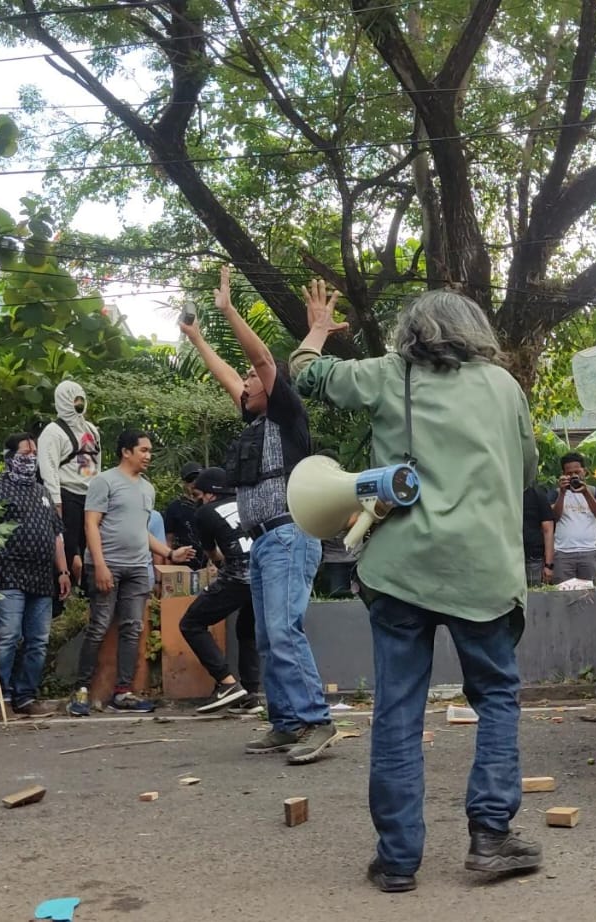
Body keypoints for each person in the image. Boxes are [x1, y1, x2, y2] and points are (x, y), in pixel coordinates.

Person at [294, 283, 543, 892]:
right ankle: (490, 838)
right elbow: (530, 468)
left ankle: (399, 859)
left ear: (411, 333)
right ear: (475, 331)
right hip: (483, 574)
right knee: (496, 698)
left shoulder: (386, 374)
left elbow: (304, 376)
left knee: (399, 711)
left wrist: (320, 327)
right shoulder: (505, 387)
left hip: (400, 572)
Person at [182, 266, 335, 765]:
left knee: (284, 630)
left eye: (253, 379)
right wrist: (198, 336)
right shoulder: (253, 420)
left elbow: (262, 357)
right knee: (268, 636)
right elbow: (229, 373)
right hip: (264, 542)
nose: (245, 381)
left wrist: (227, 311)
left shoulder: (288, 415)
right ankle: (286, 722)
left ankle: (317, 721)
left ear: (271, 386)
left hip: (290, 535)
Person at [70, 431, 196, 715]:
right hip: (107, 565)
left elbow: (141, 529)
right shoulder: (104, 481)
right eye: (143, 450)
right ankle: (81, 690)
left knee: (133, 628)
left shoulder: (147, 489)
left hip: (138, 567)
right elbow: (91, 525)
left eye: (150, 450)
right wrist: (100, 565)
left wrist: (169, 553)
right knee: (99, 625)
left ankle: (123, 692)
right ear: (126, 452)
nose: (148, 455)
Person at [0, 435, 70, 718]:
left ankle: (26, 696)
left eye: (34, 453)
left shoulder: (42, 492)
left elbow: (56, 536)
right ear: (10, 456)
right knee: (9, 636)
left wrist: (62, 570)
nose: (31, 458)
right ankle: (0, 697)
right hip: (8, 575)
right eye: (26, 453)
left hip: (42, 578)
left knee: (38, 639)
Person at [180, 466, 262, 714]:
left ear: (210, 494)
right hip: (264, 575)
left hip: (238, 576)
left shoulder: (205, 512)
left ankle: (227, 683)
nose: (199, 501)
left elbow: (212, 552)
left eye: (199, 495)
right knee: (247, 631)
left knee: (191, 624)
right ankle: (250, 694)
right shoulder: (251, 503)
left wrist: (220, 566)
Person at [37, 379, 101, 588]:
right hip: (66, 495)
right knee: (67, 548)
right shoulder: (53, 432)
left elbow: (96, 463)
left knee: (89, 549)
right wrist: (56, 502)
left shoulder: (90, 430)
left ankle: (86, 594)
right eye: (75, 400)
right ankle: (63, 596)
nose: (79, 404)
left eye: (81, 399)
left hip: (91, 497)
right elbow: (49, 468)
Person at [550, 453, 596, 582]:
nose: (573, 476)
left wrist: (585, 492)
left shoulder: (595, 491)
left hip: (590, 551)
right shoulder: (556, 493)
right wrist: (562, 493)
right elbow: (554, 517)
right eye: (569, 473)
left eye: (577, 472)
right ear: (563, 474)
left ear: (584, 472)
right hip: (563, 553)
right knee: (563, 595)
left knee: (591, 596)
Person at [163, 461, 207, 571]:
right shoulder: (174, 507)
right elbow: (168, 541)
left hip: (208, 566)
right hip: (182, 566)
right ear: (184, 483)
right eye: (190, 479)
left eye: (197, 478)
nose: (194, 482)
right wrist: (168, 570)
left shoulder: (209, 505)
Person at [521, 484, 558, 586]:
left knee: (534, 594)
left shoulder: (536, 494)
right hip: (508, 556)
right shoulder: (504, 493)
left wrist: (549, 565)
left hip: (533, 558)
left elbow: (548, 529)